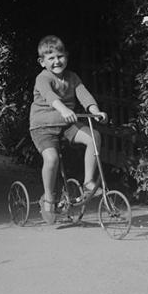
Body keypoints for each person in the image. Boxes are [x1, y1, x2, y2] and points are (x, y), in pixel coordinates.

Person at [28, 34, 106, 223]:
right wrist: (63, 109)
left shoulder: (72, 77)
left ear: (66, 56)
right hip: (43, 126)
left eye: (60, 56)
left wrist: (95, 111)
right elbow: (49, 96)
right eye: (51, 58)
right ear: (42, 62)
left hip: (66, 125)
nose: (57, 61)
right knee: (52, 159)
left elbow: (84, 95)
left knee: (93, 137)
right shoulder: (43, 78)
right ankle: (48, 198)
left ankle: (88, 182)